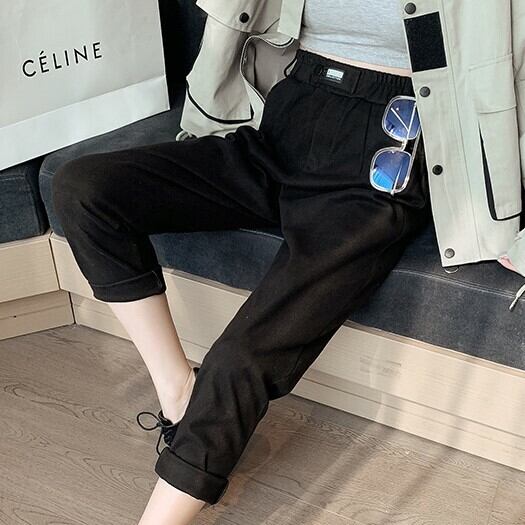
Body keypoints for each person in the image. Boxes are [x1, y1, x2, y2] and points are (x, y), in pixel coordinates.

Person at [51, 1, 432, 523]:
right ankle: (179, 392)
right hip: (287, 121)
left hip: (387, 153)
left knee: (241, 355)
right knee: (84, 190)